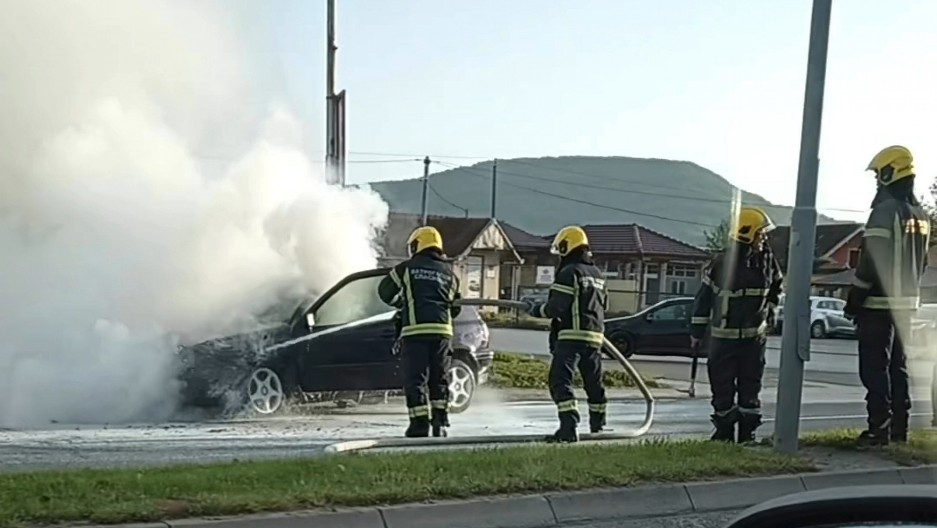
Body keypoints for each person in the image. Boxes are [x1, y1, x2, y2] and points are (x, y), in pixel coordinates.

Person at [845, 145, 929, 447]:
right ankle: (899, 429)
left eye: (879, 175)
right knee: (899, 367)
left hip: (878, 306)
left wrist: (855, 297)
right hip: (907, 306)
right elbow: (923, 264)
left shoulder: (884, 211)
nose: (877, 181)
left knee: (874, 368)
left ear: (889, 172)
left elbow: (870, 262)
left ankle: (878, 426)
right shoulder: (921, 215)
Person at [689, 207, 783, 443]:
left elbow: (777, 289)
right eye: (761, 233)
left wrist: (769, 312)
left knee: (750, 386)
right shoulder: (722, 262)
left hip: (752, 339)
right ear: (747, 233)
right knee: (723, 387)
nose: (764, 238)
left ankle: (746, 433)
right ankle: (725, 433)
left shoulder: (767, 260)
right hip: (725, 339)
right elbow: (704, 299)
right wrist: (697, 331)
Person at [524, 226, 608, 443]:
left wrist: (534, 309)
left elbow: (556, 307)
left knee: (560, 380)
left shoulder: (569, 273)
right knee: (594, 382)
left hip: (571, 337)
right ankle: (598, 426)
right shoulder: (598, 274)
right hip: (595, 337)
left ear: (566, 246)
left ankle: (568, 427)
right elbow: (603, 305)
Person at [377, 225, 461, 438]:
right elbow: (456, 307)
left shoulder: (406, 268)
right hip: (443, 333)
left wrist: (402, 304)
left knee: (416, 379)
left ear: (416, 245)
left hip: (416, 332)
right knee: (439, 378)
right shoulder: (450, 274)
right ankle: (440, 423)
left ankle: (419, 425)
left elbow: (384, 291)